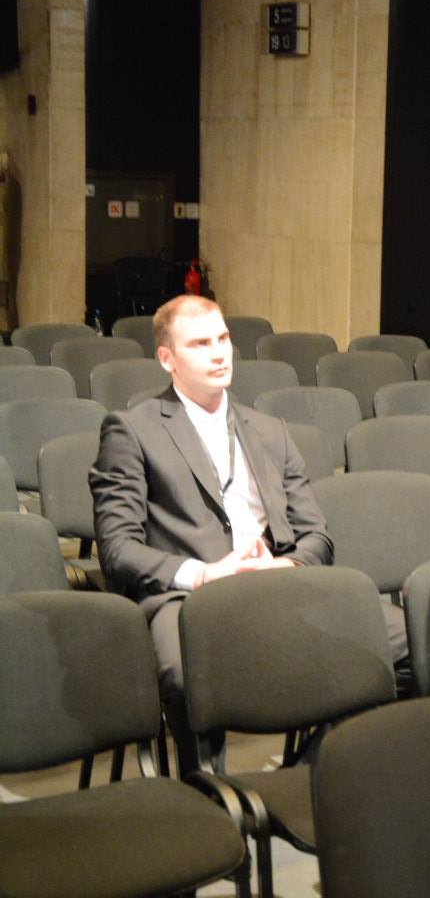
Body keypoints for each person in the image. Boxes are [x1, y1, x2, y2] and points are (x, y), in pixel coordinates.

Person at [90, 295, 408, 768]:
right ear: (167, 358)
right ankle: (207, 790)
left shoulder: (270, 430)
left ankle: (316, 769)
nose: (219, 353)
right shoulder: (132, 430)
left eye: (223, 339)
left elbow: (317, 536)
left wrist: (284, 564)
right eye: (200, 344)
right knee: (188, 673)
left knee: (416, 641)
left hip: (279, 584)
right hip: (189, 600)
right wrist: (204, 574)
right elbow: (117, 550)